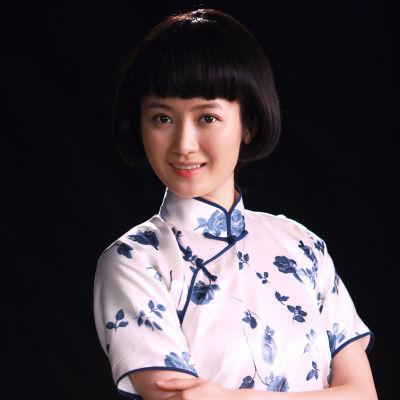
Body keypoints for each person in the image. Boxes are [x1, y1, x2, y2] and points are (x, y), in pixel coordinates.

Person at [93, 7, 377, 400]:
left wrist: (228, 397)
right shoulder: (135, 260)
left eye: (207, 118)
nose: (183, 144)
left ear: (249, 124)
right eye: (162, 118)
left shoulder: (303, 246)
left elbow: (363, 393)